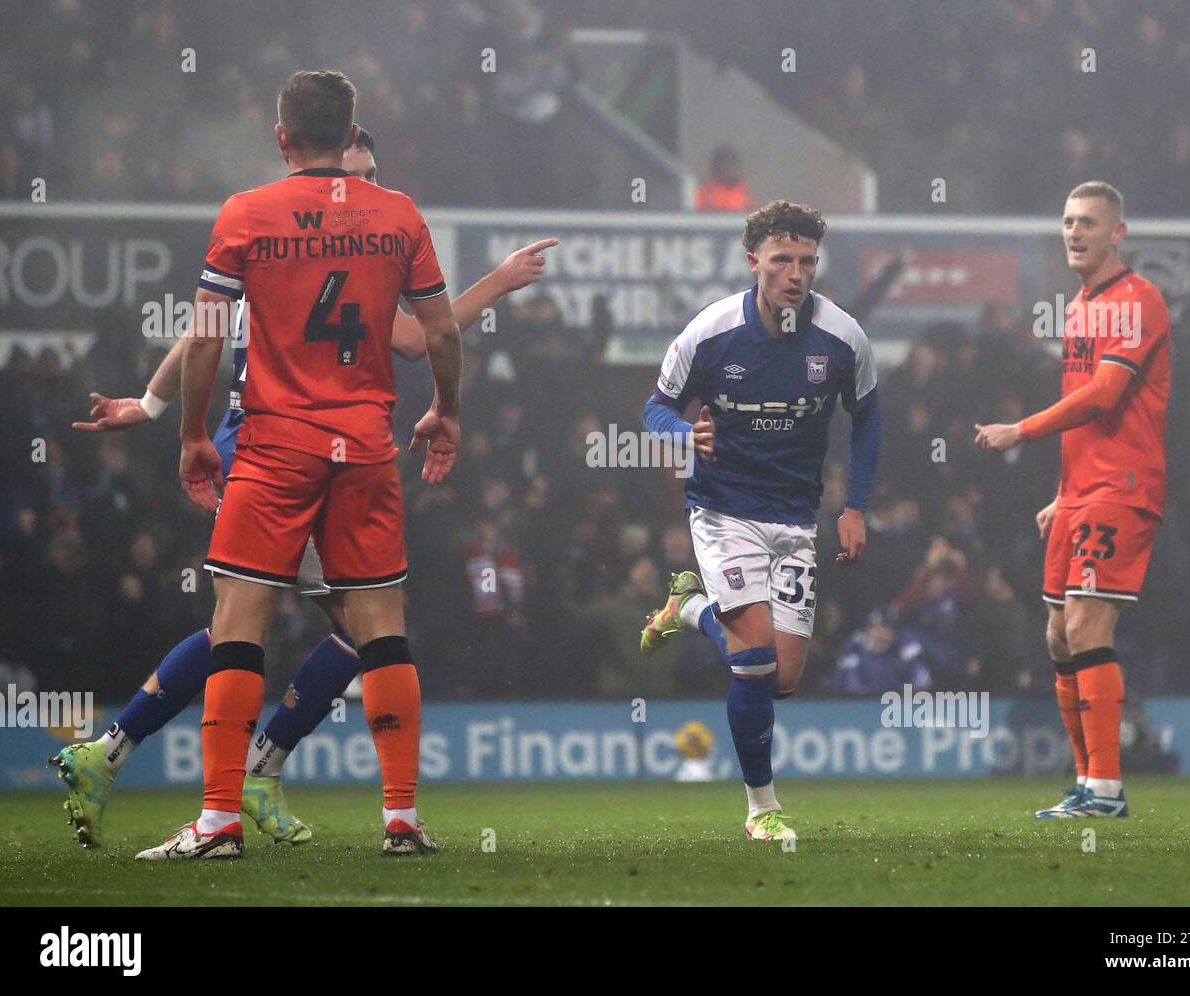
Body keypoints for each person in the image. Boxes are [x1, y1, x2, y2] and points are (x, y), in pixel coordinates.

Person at [52, 128, 555, 850]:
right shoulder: (310, 235)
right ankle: (197, 771)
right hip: (269, 445)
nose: (363, 186)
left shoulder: (307, 238)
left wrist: (499, 281)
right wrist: (154, 408)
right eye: (356, 171)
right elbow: (209, 335)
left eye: (375, 172)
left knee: (298, 620)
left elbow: (402, 337)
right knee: (308, 621)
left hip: (305, 448)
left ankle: (166, 766)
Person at [118, 69, 465, 860]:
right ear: (350, 138)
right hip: (368, 444)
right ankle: (403, 821)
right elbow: (440, 334)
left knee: (240, 623)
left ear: (282, 137)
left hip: (275, 445)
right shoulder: (398, 215)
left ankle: (218, 823)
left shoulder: (247, 214)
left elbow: (206, 334)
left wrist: (193, 434)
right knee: (381, 627)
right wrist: (446, 411)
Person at [639, 200, 881, 843]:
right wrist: (685, 434)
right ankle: (761, 809)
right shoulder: (710, 333)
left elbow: (869, 421)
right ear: (754, 263)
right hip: (723, 510)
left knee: (784, 678)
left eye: (806, 261)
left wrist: (855, 505)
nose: (796, 274)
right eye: (782, 261)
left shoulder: (843, 336)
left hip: (797, 518)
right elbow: (654, 409)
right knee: (750, 662)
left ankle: (689, 610)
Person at [975, 181, 1171, 818]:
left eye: (1088, 222)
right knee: (1060, 636)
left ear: (1118, 232)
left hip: (1124, 488)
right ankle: (1089, 786)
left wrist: (1021, 429)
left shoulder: (1138, 300)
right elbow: (1086, 416)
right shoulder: (1080, 307)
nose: (1074, 232)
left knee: (1087, 625)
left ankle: (1109, 792)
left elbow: (1103, 398)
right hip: (1081, 493)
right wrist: (1062, 492)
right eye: (1067, 221)